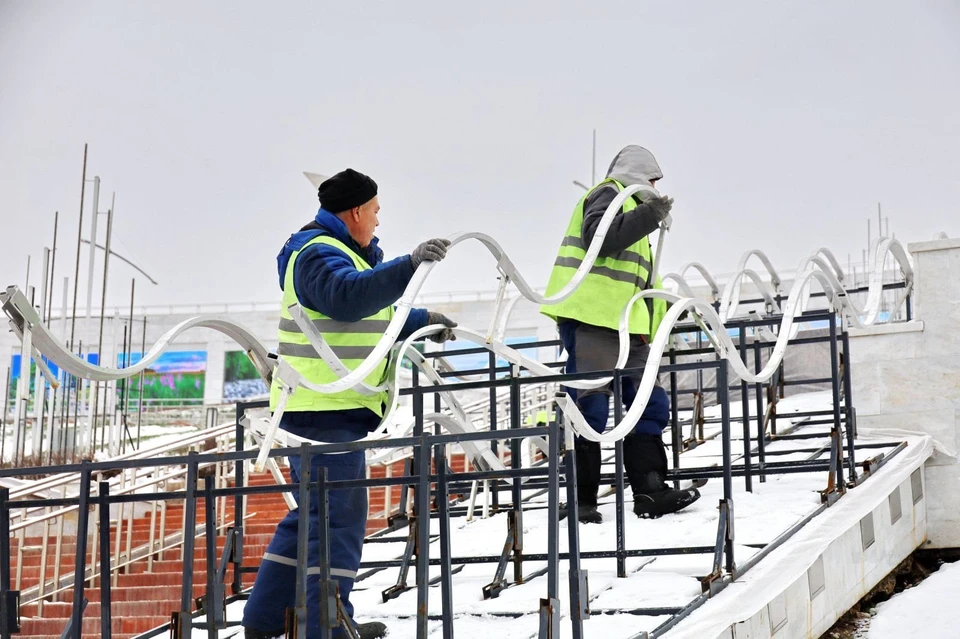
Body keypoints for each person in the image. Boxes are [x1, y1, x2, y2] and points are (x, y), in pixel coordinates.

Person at [242, 168, 457, 639]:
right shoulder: (316, 252)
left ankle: (264, 620)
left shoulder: (345, 256)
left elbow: (370, 316)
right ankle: (328, 626)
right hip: (322, 412)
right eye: (375, 211)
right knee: (338, 517)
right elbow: (345, 300)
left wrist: (423, 319)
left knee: (313, 516)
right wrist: (408, 266)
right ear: (356, 211)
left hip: (327, 411)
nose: (378, 221)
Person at [540, 145, 701, 523]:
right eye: (653, 178)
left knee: (650, 404)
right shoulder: (608, 194)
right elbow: (601, 237)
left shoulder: (634, 214)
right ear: (638, 172)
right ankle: (582, 501)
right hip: (594, 322)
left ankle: (650, 490)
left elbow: (642, 282)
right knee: (589, 409)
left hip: (631, 330)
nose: (657, 186)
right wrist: (649, 213)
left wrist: (660, 323)